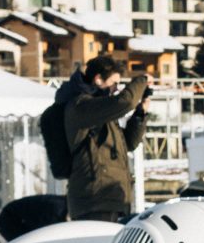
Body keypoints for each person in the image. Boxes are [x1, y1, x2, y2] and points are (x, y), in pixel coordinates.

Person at [60, 53, 151, 222]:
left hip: (112, 200)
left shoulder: (101, 112)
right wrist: (142, 80)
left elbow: (128, 144)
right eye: (114, 83)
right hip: (95, 202)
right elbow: (125, 102)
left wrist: (140, 114)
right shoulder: (81, 106)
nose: (116, 89)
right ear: (98, 80)